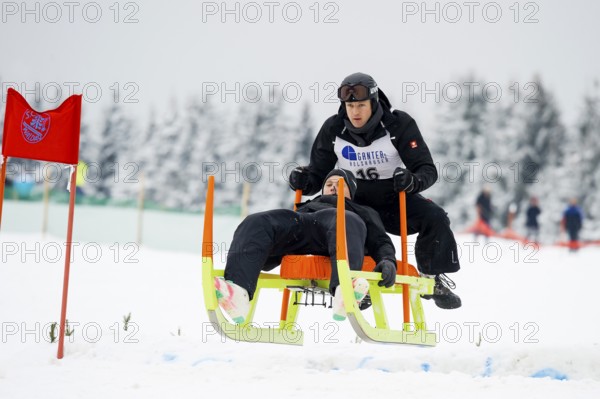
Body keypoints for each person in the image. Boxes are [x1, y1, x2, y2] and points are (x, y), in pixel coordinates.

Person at [288, 72, 461, 309]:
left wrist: (412, 181)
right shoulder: (333, 129)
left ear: (374, 102)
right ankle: (360, 284)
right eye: (350, 106)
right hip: (353, 200)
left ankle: (431, 278)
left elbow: (427, 169)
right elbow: (317, 175)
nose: (355, 112)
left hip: (393, 196)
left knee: (436, 217)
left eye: (360, 105)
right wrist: (303, 180)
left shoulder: (398, 125)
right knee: (353, 228)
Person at [215, 169, 398, 323]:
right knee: (257, 220)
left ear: (351, 191)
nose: (333, 186)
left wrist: (387, 260)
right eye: (329, 183)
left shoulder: (362, 211)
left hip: (337, 229)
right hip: (303, 226)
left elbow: (380, 241)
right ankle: (237, 291)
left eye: (341, 184)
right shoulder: (306, 206)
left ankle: (346, 289)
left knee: (344, 218)